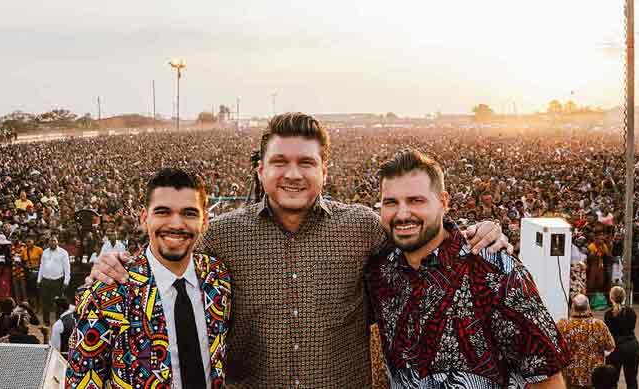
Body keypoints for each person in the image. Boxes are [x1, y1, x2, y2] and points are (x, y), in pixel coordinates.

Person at [87, 113, 510, 387]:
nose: (293, 174)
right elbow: (167, 249)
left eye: (306, 163)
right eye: (280, 162)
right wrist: (112, 263)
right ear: (261, 169)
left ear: (325, 170)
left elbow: (421, 241)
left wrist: (477, 232)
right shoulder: (222, 235)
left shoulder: (362, 227)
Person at [365, 149, 567, 388]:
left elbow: (547, 380)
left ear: (443, 202)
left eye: (415, 200)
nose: (402, 214)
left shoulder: (497, 272)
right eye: (391, 203)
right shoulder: (380, 271)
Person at [67, 168, 232, 388]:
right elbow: (81, 382)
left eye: (189, 213)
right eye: (163, 212)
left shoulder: (217, 278)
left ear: (204, 221)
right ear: (144, 218)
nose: (175, 224)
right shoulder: (106, 294)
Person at [556, 295, 615, 388]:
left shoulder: (562, 325)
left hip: (570, 377)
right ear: (588, 307)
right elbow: (610, 346)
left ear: (572, 307)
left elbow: (554, 348)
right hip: (594, 377)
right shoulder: (598, 325)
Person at [604, 286, 639, 389]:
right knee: (632, 380)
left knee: (611, 381)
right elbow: (632, 327)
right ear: (624, 297)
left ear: (611, 298)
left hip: (615, 348)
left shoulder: (608, 314)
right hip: (632, 347)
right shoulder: (631, 312)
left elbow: (609, 332)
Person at [37, 236, 70, 325]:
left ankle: (58, 320)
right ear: (48, 243)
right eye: (51, 241)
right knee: (45, 302)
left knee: (58, 302)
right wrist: (39, 279)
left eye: (54, 241)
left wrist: (66, 281)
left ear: (57, 242)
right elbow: (41, 266)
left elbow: (67, 268)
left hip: (58, 280)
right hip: (45, 280)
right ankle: (46, 321)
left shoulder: (63, 253)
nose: (52, 242)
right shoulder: (45, 252)